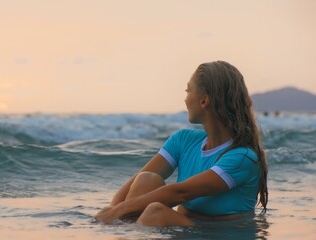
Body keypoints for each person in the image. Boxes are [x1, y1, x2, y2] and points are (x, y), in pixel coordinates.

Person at [95, 60, 268, 227]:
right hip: (185, 230)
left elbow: (180, 193)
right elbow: (137, 180)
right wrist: (112, 211)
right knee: (146, 179)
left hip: (217, 235)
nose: (185, 100)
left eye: (188, 91)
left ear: (203, 100)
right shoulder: (183, 140)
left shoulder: (243, 157)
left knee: (156, 212)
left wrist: (120, 211)